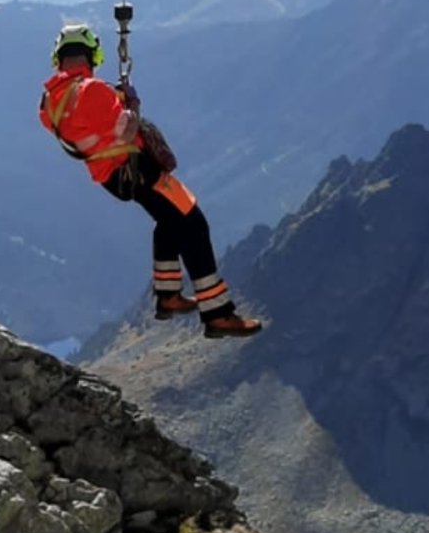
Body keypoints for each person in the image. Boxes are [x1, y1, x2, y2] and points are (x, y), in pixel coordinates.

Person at [39, 23, 262, 339]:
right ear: (92, 55)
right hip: (137, 167)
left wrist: (113, 100)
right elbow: (126, 129)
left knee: (169, 221)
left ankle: (168, 295)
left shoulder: (49, 104)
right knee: (193, 223)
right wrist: (131, 103)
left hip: (111, 176)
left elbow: (89, 125)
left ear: (58, 59)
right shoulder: (93, 90)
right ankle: (219, 314)